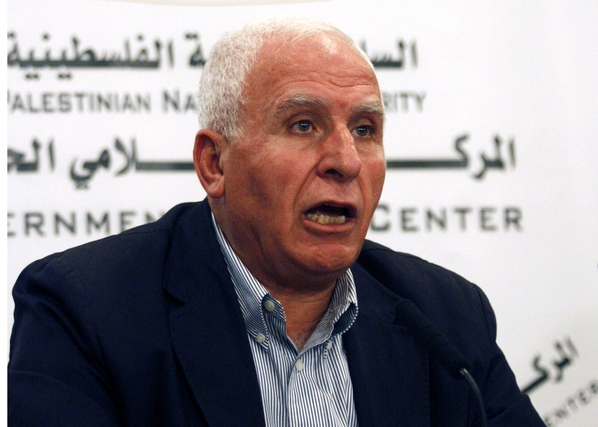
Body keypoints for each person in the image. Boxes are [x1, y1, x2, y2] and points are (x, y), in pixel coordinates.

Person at [8, 17, 545, 426]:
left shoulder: (447, 316)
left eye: (364, 129)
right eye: (304, 124)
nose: (346, 161)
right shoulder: (86, 310)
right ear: (215, 164)